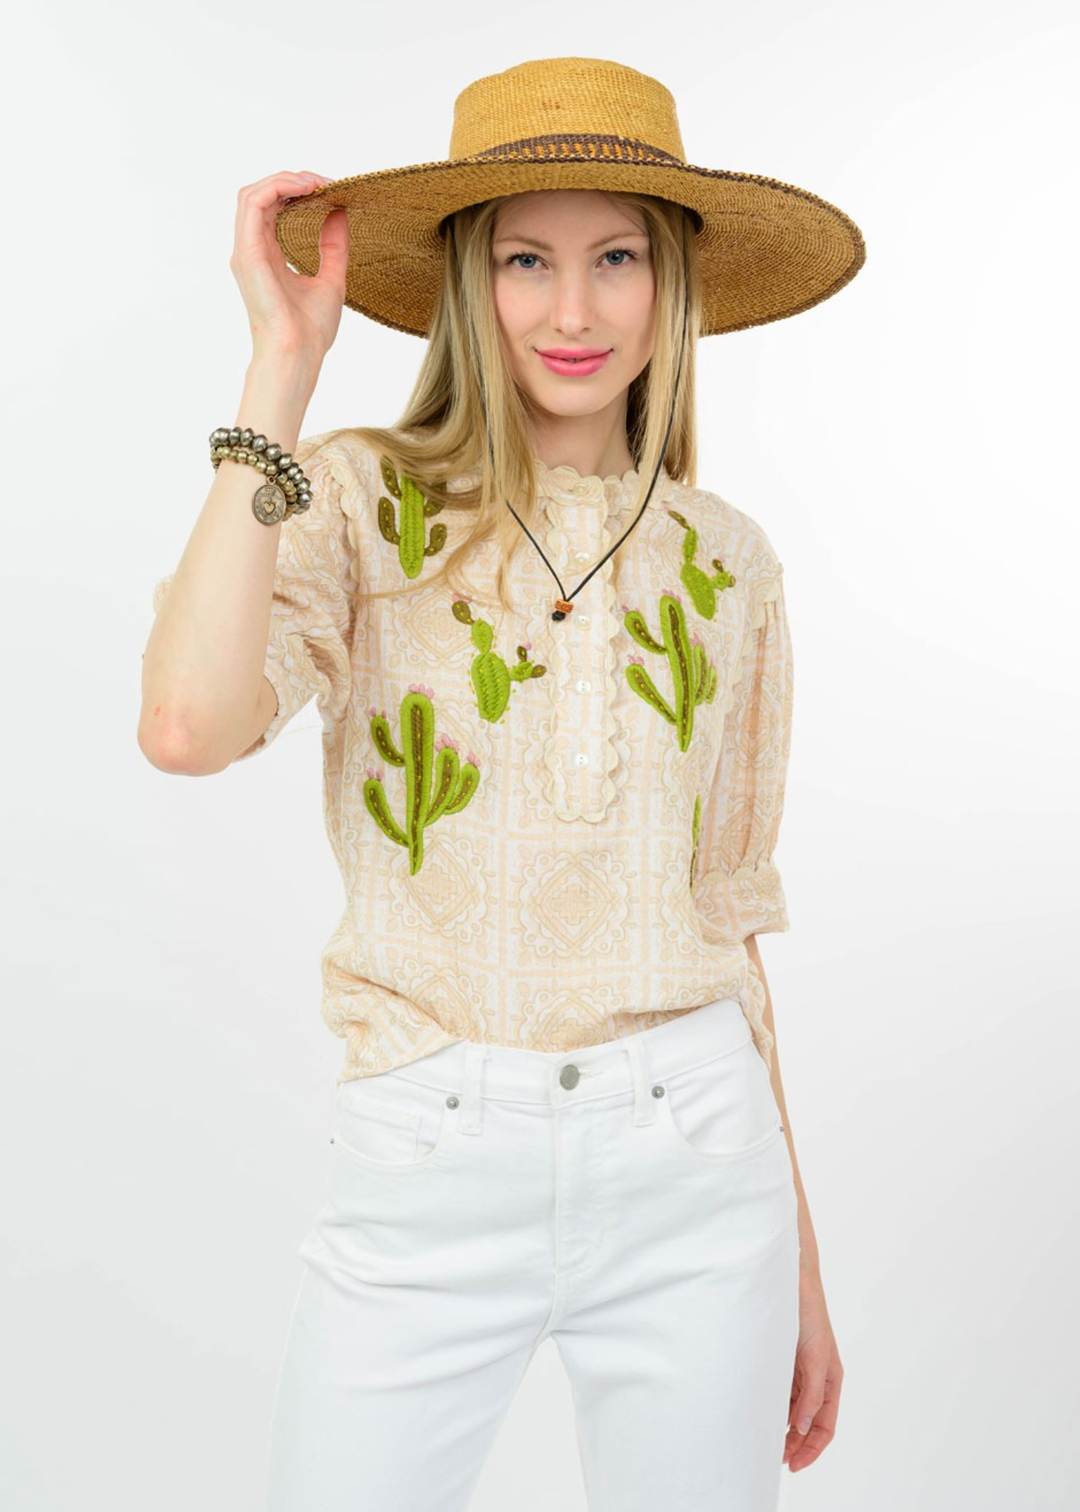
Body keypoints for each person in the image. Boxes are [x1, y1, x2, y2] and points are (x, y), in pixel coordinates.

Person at [140, 55, 865, 1512]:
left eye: (617, 259)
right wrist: (279, 374)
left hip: (695, 1157)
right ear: (473, 279)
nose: (575, 309)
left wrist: (801, 1256)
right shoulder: (357, 500)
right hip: (425, 1149)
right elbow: (187, 723)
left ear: (675, 287)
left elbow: (728, 920)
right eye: (529, 260)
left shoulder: (731, 563)